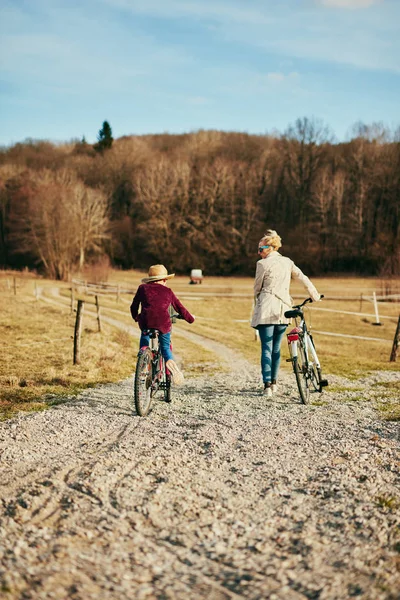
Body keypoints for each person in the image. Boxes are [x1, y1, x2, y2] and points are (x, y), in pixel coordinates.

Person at [251, 230, 321, 397]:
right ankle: (274, 383)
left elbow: (256, 288)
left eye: (260, 249)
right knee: (276, 348)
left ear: (270, 248)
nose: (258, 252)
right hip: (284, 310)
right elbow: (302, 277)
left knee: (266, 348)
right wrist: (314, 294)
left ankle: (267, 384)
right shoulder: (287, 262)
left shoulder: (262, 265)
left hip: (267, 310)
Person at [130, 264, 195, 385]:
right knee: (165, 347)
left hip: (146, 321)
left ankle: (143, 356)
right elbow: (180, 308)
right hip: (163, 323)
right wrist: (190, 319)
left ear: (150, 280)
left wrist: (136, 317)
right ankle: (170, 362)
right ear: (165, 280)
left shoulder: (142, 288)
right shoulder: (168, 291)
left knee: (145, 336)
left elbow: (134, 306)